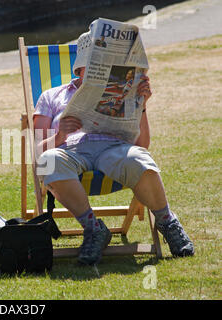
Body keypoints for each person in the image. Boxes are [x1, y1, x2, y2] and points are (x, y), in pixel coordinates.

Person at [34, 32, 194, 266]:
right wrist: (60, 134)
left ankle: (167, 222)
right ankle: (94, 228)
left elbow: (142, 146)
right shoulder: (51, 96)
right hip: (71, 152)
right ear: (79, 69)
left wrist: (142, 105)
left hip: (114, 149)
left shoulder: (122, 92)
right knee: (49, 160)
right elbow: (37, 152)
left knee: (141, 160)